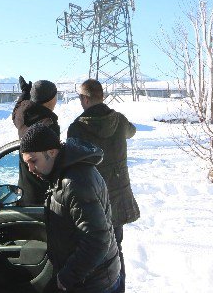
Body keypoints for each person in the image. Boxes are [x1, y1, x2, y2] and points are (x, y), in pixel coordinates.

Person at [20, 123, 121, 293]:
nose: (30, 169)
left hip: (94, 283)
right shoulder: (61, 174)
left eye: (33, 161)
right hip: (87, 278)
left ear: (52, 152)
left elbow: (97, 240)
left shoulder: (75, 182)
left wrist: (66, 277)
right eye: (27, 163)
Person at [67, 79, 139, 293]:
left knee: (95, 254)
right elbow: (132, 132)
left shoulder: (77, 128)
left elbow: (72, 164)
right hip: (119, 199)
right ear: (103, 96)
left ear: (85, 99)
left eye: (81, 98)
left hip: (93, 200)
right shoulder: (119, 120)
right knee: (117, 250)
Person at [12, 76, 59, 205]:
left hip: (25, 189)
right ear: (52, 99)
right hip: (43, 195)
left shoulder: (23, 117)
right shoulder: (48, 125)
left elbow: (16, 112)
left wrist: (25, 94)